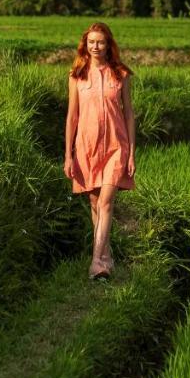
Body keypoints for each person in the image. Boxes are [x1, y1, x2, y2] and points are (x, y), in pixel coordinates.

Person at [64, 22, 135, 280]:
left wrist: (131, 153)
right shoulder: (77, 75)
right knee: (94, 202)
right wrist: (68, 155)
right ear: (86, 45)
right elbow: (72, 117)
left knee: (106, 202)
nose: (96, 46)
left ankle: (96, 262)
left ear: (108, 45)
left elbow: (129, 114)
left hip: (116, 146)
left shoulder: (121, 75)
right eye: (92, 42)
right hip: (86, 146)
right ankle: (107, 256)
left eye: (101, 42)